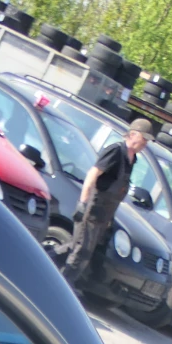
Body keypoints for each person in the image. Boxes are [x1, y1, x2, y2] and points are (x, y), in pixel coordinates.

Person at [63, 118, 154, 288]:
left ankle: (48, 261)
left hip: (103, 216)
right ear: (133, 134)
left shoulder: (132, 159)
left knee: (79, 249)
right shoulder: (115, 151)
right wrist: (82, 204)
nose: (145, 144)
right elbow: (92, 175)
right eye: (144, 139)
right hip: (91, 210)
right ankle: (62, 286)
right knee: (81, 251)